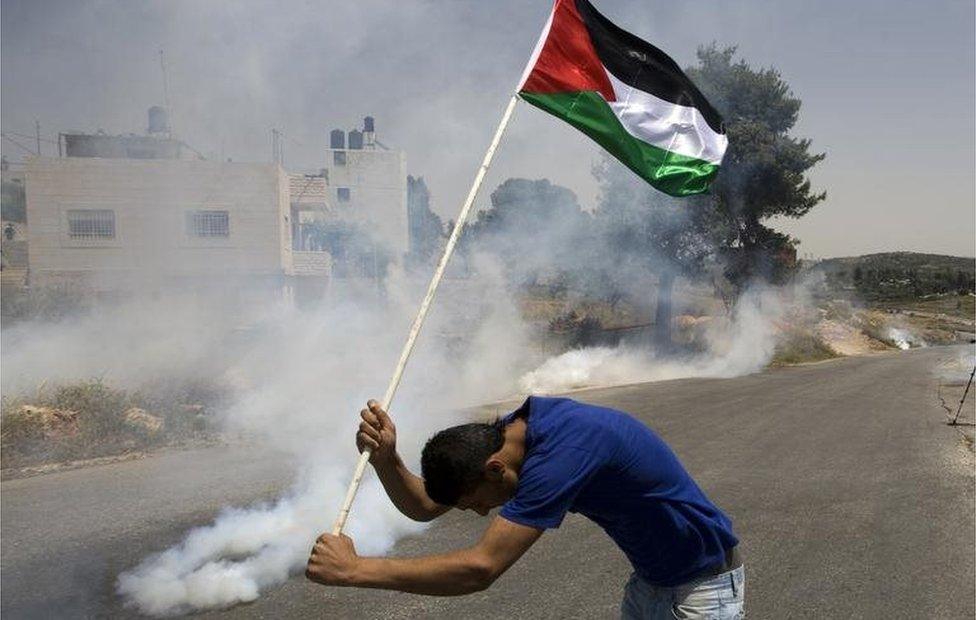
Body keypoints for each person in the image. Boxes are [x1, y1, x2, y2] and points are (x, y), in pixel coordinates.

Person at [306, 396, 745, 619]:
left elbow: (481, 568)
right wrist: (387, 460)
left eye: (477, 505)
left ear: (496, 471)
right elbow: (423, 505)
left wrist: (355, 570)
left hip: (703, 587)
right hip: (652, 583)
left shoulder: (561, 456)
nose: (481, 513)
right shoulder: (510, 436)